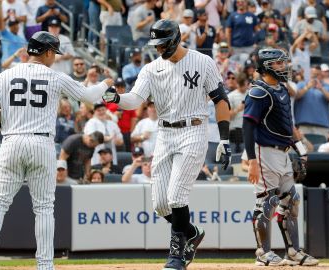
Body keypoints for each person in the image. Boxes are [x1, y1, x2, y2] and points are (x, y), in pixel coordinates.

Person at [0, 31, 114, 270]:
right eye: (53, 53)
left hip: (12, 141)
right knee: (44, 208)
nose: (54, 58)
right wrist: (106, 83)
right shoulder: (55, 77)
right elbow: (89, 96)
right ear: (47, 52)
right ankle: (45, 265)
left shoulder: (7, 74)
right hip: (41, 143)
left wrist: (10, 128)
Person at [102, 19, 232, 269]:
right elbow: (135, 99)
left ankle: (176, 254)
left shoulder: (202, 61)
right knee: (160, 204)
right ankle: (192, 232)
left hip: (193, 130)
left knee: (175, 196)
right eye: (156, 45)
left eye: (163, 44)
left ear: (175, 39)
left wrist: (224, 139)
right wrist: (116, 98)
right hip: (165, 133)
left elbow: (220, 99)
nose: (159, 49)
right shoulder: (151, 69)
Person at [243, 48, 318, 266]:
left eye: (283, 63)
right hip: (264, 151)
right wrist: (252, 162)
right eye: (278, 63)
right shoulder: (258, 92)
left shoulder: (282, 89)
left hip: (284, 151)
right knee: (267, 201)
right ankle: (263, 254)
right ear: (266, 66)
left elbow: (288, 125)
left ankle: (293, 252)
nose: (283, 67)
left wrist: (301, 150)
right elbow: (247, 127)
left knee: (291, 201)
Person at [294, 66, 329, 137]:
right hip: (303, 124)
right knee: (304, 147)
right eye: (313, 74)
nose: (315, 76)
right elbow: (296, 96)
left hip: (322, 125)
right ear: (310, 74)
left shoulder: (327, 87)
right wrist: (307, 87)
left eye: (317, 75)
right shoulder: (301, 84)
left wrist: (321, 89)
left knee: (321, 147)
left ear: (321, 75)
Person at [84, 101, 124, 165]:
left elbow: (120, 140)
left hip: (111, 156)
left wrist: (118, 141)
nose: (101, 112)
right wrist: (110, 138)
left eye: (103, 110)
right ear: (94, 112)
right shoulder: (91, 123)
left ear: (106, 110)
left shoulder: (112, 123)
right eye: (98, 110)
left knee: (112, 172)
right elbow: (93, 138)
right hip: (96, 156)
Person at [228, 73, 248, 153]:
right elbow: (227, 115)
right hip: (235, 130)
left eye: (245, 84)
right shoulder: (231, 96)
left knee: (246, 157)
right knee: (233, 158)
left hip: (247, 129)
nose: (244, 87)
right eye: (242, 85)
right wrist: (238, 109)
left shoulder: (250, 94)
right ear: (238, 84)